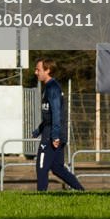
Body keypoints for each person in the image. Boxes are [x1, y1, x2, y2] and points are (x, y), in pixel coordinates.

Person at [32, 59, 84, 192]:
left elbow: (56, 113)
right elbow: (49, 115)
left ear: (47, 70)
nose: (35, 72)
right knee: (57, 168)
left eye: (38, 69)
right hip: (53, 130)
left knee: (42, 166)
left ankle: (40, 198)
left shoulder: (53, 87)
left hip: (52, 133)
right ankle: (81, 190)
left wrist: (54, 136)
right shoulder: (48, 87)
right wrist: (39, 129)